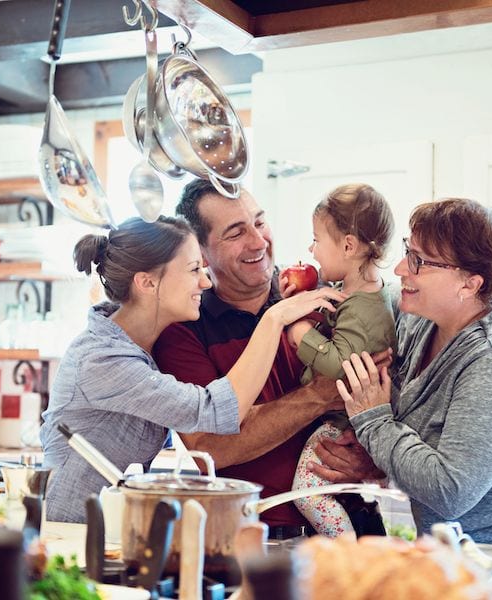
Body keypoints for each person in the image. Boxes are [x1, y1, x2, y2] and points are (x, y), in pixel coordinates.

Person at [40, 216, 345, 523]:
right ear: (147, 283)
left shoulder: (145, 349)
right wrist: (273, 319)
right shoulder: (103, 360)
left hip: (107, 530)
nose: (205, 281)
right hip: (67, 533)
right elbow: (215, 412)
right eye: (193, 270)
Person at [153, 180, 388, 539]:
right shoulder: (183, 331)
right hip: (263, 541)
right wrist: (322, 394)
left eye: (259, 222)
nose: (259, 242)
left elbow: (385, 393)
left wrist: (373, 458)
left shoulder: (327, 292)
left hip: (358, 528)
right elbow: (209, 445)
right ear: (200, 251)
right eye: (236, 233)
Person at [335, 198, 492, 549]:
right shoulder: (419, 317)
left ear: (470, 285)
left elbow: (450, 491)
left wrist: (373, 422)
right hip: (454, 558)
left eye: (419, 262)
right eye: (407, 251)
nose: (400, 269)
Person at [283, 183, 398, 538]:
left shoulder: (364, 310)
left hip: (342, 421)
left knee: (307, 491)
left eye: (317, 240)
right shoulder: (359, 292)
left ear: (348, 246)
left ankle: (345, 550)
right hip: (344, 416)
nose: (311, 249)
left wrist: (298, 330)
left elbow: (339, 367)